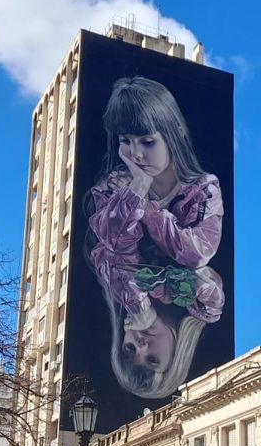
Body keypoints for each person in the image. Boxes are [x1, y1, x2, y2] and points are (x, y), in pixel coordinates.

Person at [85, 76, 226, 400]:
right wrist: (137, 188)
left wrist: (140, 202)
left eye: (129, 349)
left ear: (174, 135)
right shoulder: (204, 305)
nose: (135, 154)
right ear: (176, 357)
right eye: (126, 141)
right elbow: (116, 242)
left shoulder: (202, 188)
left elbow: (192, 253)